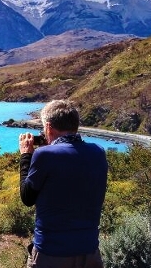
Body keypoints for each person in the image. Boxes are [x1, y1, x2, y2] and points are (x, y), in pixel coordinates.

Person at [18, 100, 108, 268]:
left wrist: (25, 156)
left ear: (49, 127)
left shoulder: (44, 155)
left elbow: (27, 197)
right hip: (88, 251)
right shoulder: (98, 152)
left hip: (51, 252)